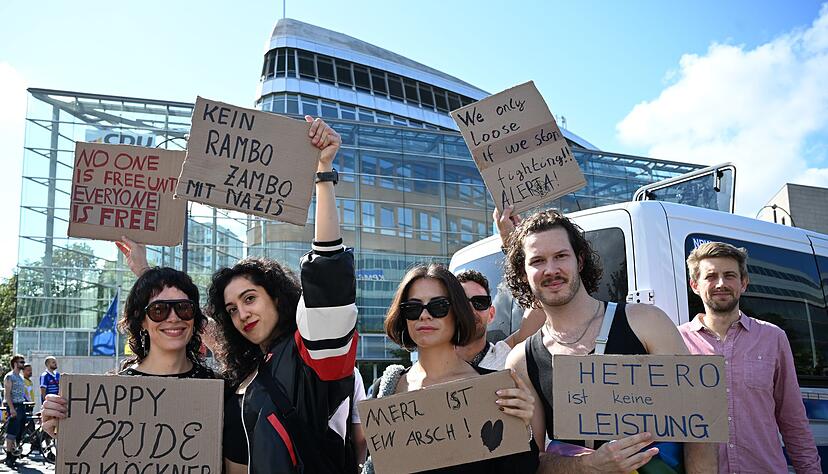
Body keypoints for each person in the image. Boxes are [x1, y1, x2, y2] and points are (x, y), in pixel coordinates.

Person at [498, 207, 717, 473]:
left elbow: (700, 428)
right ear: (523, 273)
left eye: (561, 256)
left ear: (579, 261)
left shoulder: (646, 322)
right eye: (537, 261)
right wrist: (588, 465)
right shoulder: (522, 359)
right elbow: (531, 460)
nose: (551, 269)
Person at [209, 116, 359, 474]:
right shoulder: (250, 370)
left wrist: (323, 175)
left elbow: (328, 273)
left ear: (277, 297)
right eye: (231, 309)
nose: (242, 314)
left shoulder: (311, 355)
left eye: (249, 298)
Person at [363, 263, 539, 473]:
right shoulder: (383, 389)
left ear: (457, 313)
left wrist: (524, 428)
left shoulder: (495, 390)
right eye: (413, 307)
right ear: (403, 317)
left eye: (438, 306)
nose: (424, 315)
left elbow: (521, 469)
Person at [679, 241, 820, 473]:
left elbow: (793, 419)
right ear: (695, 285)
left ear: (743, 283)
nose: (721, 284)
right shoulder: (676, 341)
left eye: (730, 275)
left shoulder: (773, 338)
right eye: (711, 276)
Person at [40, 264, 216, 438]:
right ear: (142, 321)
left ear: (195, 317)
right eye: (159, 310)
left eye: (184, 308)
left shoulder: (219, 387)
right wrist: (66, 432)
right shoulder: (110, 395)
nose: (173, 318)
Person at [455, 269, 543, 370]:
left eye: (480, 302)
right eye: (462, 303)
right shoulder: (436, 362)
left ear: (491, 314)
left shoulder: (506, 354)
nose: (470, 310)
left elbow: (541, 299)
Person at [3, 354, 27, 467]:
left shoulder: (21, 377)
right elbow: (7, 395)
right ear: (15, 363)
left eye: (23, 361)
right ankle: (8, 456)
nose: (23, 363)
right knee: (11, 432)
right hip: (14, 406)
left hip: (21, 405)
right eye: (21, 362)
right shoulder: (9, 377)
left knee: (19, 431)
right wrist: (12, 409)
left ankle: (14, 454)